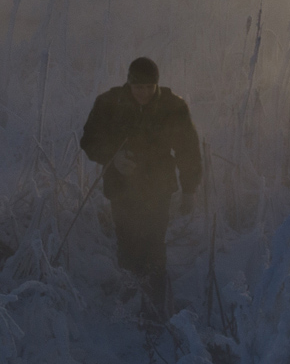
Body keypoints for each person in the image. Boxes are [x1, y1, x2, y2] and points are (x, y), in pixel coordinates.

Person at [80, 57, 201, 313]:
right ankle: (130, 298)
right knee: (127, 242)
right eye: (138, 87)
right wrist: (114, 157)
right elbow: (89, 140)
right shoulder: (109, 103)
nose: (144, 93)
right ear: (129, 82)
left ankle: (155, 303)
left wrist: (189, 189)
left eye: (149, 87)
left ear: (157, 84)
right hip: (121, 187)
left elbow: (188, 150)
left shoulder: (173, 106)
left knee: (154, 243)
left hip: (158, 187)